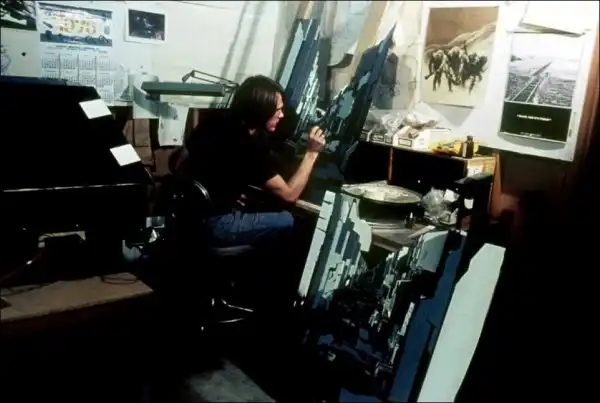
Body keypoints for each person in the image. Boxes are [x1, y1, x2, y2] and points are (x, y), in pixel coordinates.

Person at [185, 75, 326, 249]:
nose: (281, 115)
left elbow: (180, 163)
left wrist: (224, 193)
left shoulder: (213, 121)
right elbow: (289, 195)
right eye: (277, 110)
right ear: (261, 111)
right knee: (289, 220)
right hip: (215, 224)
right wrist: (312, 153)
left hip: (188, 213)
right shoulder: (250, 146)